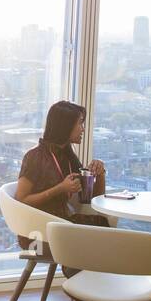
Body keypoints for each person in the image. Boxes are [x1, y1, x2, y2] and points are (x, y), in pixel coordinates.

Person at [15, 100, 109, 260]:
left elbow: (91, 201)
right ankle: (82, 280)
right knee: (96, 236)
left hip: (61, 225)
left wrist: (100, 174)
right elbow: (21, 200)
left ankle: (88, 280)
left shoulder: (67, 157)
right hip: (36, 235)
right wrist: (60, 189)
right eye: (80, 123)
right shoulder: (35, 157)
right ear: (65, 126)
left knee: (103, 227)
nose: (83, 129)